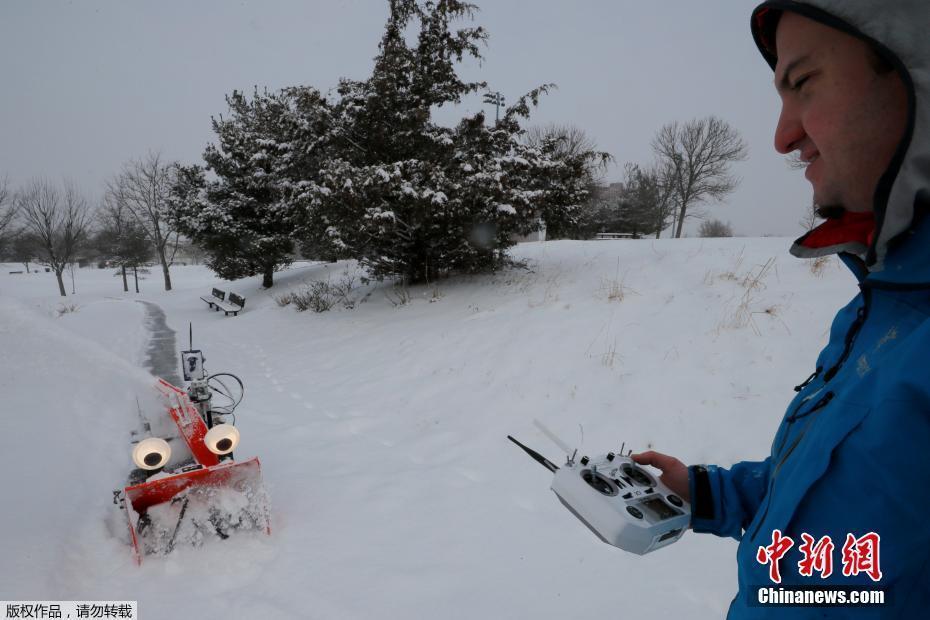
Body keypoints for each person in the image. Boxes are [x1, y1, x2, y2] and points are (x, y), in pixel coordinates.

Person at [632, 1, 930, 616]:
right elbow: (838, 502)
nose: (782, 136)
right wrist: (706, 493)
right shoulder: (883, 306)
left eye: (803, 83)